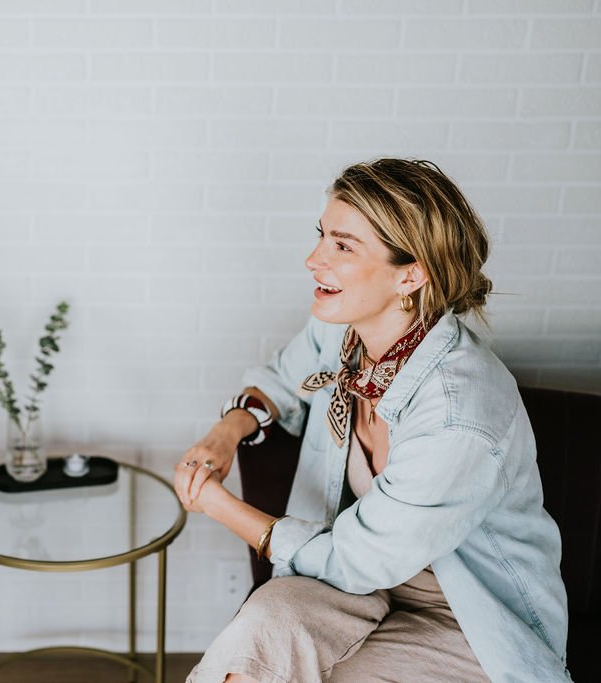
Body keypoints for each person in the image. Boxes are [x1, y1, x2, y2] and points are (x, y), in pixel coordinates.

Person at [175, 159, 570, 682]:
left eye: (342, 245)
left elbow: (355, 560)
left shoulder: (459, 413)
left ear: (410, 273)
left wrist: (220, 506)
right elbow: (280, 380)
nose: (313, 258)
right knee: (261, 637)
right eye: (322, 236)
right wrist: (226, 432)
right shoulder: (347, 331)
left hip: (465, 618)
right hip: (361, 591)